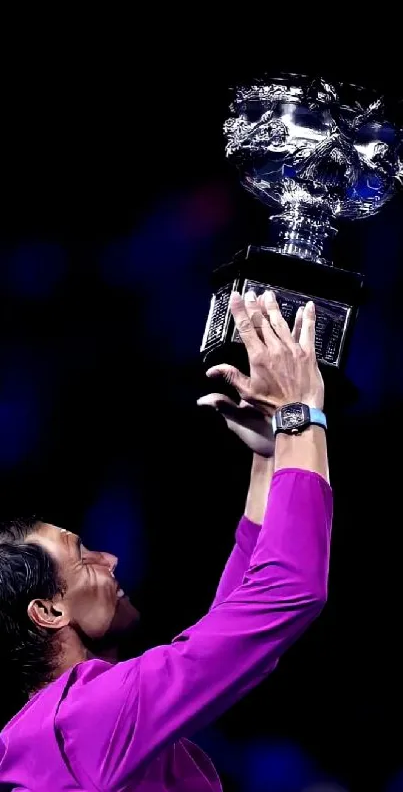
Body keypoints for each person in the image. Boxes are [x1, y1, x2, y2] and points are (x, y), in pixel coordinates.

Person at [0, 290, 332, 791]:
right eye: (81, 557)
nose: (109, 559)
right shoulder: (80, 723)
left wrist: (270, 457)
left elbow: (237, 625)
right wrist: (299, 416)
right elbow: (286, 593)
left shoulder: (80, 723)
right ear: (47, 612)